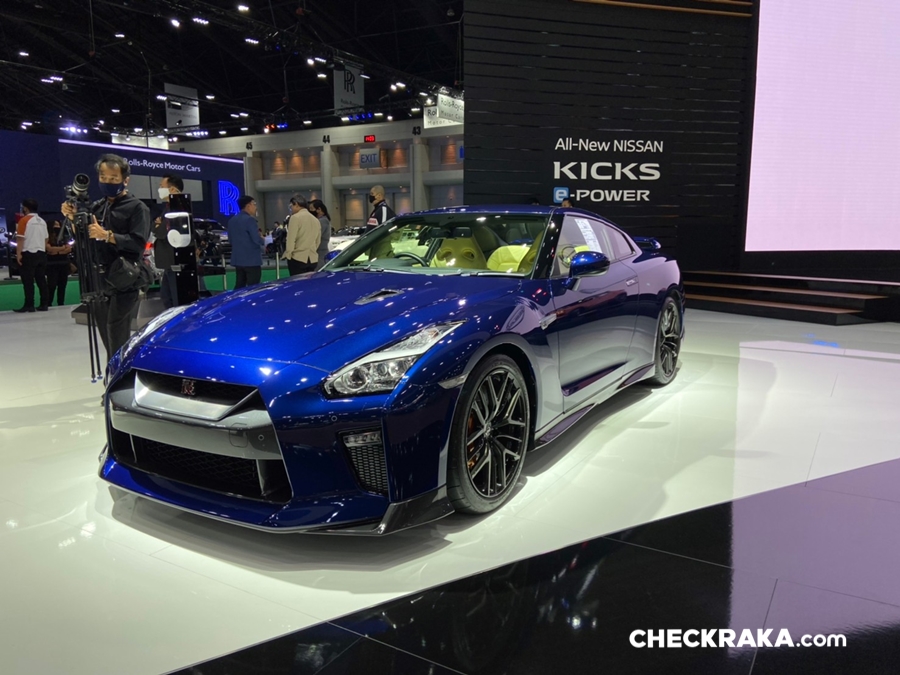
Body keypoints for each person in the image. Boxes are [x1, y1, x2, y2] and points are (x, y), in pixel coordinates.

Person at [60, 153, 151, 361]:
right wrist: (72, 219)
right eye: (103, 178)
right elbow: (83, 238)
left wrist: (107, 235)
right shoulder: (97, 207)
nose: (108, 182)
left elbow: (138, 243)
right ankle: (113, 374)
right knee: (105, 333)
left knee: (116, 332)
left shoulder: (137, 208)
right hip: (99, 280)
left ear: (125, 180)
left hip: (125, 279)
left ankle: (120, 376)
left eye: (113, 178)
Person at [151, 174, 183, 308]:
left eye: (161, 186)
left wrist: (157, 226)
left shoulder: (177, 208)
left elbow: (161, 232)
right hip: (170, 262)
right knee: (167, 296)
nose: (159, 189)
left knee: (174, 299)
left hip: (175, 260)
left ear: (173, 189)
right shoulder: (169, 207)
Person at [14, 199, 50, 313]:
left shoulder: (24, 220)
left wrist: (18, 254)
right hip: (41, 253)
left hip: (28, 253)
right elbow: (46, 238)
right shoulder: (42, 221)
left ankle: (29, 305)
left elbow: (20, 238)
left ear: (25, 208)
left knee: (28, 281)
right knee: (41, 280)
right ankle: (44, 304)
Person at [227, 195, 264, 288]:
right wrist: (264, 240)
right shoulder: (250, 220)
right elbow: (256, 239)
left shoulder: (232, 220)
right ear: (248, 206)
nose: (255, 207)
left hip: (238, 260)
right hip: (251, 260)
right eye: (254, 204)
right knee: (253, 287)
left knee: (239, 286)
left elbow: (230, 240)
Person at [283, 194, 321, 275]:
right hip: (312, 259)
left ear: (296, 204)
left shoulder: (295, 217)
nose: (291, 208)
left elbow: (291, 239)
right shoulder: (316, 220)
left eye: (291, 206)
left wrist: (288, 255)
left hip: (298, 258)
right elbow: (318, 241)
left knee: (297, 281)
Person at [45, 220, 73, 306]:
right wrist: (62, 249)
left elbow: (69, 249)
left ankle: (61, 303)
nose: (57, 227)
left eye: (58, 225)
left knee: (62, 285)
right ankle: (48, 302)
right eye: (55, 225)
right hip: (51, 264)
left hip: (63, 263)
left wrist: (57, 251)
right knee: (51, 285)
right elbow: (49, 249)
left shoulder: (64, 236)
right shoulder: (47, 236)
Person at [309, 199, 331, 270]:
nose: (310, 211)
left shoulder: (322, 221)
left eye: (312, 208)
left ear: (319, 209)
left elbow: (315, 235)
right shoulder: (321, 220)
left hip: (320, 253)